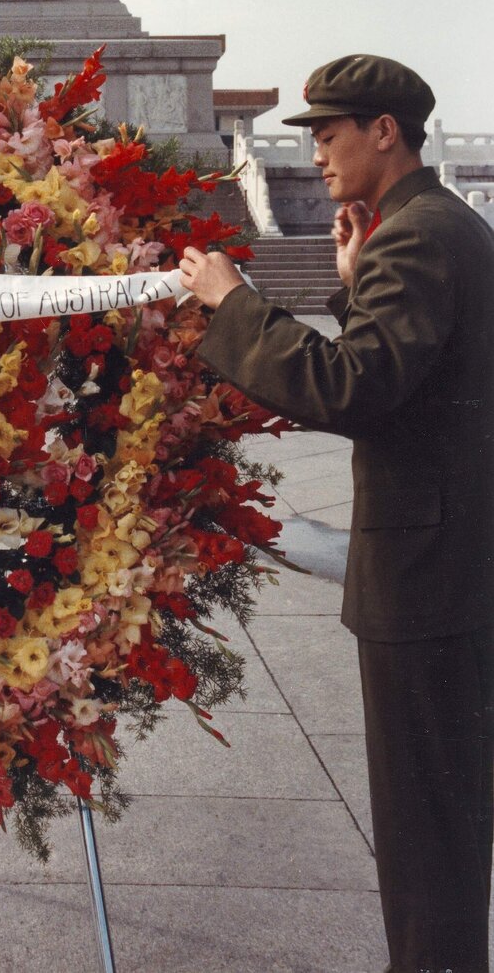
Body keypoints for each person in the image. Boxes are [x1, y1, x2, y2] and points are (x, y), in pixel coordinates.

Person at [178, 54, 494, 973]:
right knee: (440, 826)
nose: (313, 154)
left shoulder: (418, 236)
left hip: (427, 579)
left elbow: (353, 386)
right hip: (455, 566)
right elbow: (414, 371)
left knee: (426, 837)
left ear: (382, 131)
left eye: (326, 133)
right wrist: (352, 283)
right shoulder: (436, 225)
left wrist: (234, 303)